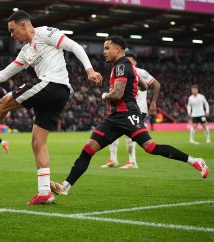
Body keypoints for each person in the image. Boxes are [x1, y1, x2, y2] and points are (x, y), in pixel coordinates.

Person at [0, 10, 102, 205]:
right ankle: (44, 193)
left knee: (3, 103)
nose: (11, 35)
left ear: (24, 25)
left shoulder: (45, 33)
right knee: (37, 142)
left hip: (53, 85)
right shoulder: (25, 51)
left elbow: (73, 45)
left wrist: (89, 69)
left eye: (12, 30)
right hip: (58, 95)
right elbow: (4, 75)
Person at [50, 36, 209, 198]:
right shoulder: (128, 66)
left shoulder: (121, 67)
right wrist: (133, 82)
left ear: (118, 49)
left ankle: (195, 160)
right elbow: (145, 86)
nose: (104, 52)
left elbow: (118, 94)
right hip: (114, 118)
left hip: (127, 115)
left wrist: (105, 95)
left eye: (107, 48)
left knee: (151, 147)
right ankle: (66, 186)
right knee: (88, 149)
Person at [101, 51, 161, 169]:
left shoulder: (140, 72)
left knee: (130, 135)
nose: (126, 62)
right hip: (123, 108)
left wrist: (153, 102)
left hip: (137, 108)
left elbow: (156, 84)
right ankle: (113, 160)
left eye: (128, 60)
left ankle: (132, 162)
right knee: (112, 132)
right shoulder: (119, 70)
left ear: (134, 62)